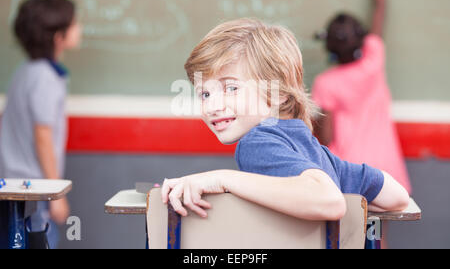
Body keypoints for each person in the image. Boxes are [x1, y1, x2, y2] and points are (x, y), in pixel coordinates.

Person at [160, 17, 409, 221]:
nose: (212, 106)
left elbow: (330, 201)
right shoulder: (316, 152)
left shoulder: (256, 144)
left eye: (231, 88)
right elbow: (396, 197)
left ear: (277, 93)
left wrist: (222, 179)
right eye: (205, 93)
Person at [311, 0, 411, 194]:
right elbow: (380, 7)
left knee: (349, 231)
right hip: (386, 170)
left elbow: (324, 137)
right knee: (376, 231)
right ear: (362, 41)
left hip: (349, 173)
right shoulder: (373, 58)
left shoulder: (325, 84)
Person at [0, 0, 82, 248]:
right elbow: (43, 136)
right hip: (32, 191)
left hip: (15, 186)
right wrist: (55, 194)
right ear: (58, 37)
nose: (80, 28)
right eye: (74, 23)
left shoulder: (27, 70)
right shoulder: (46, 77)